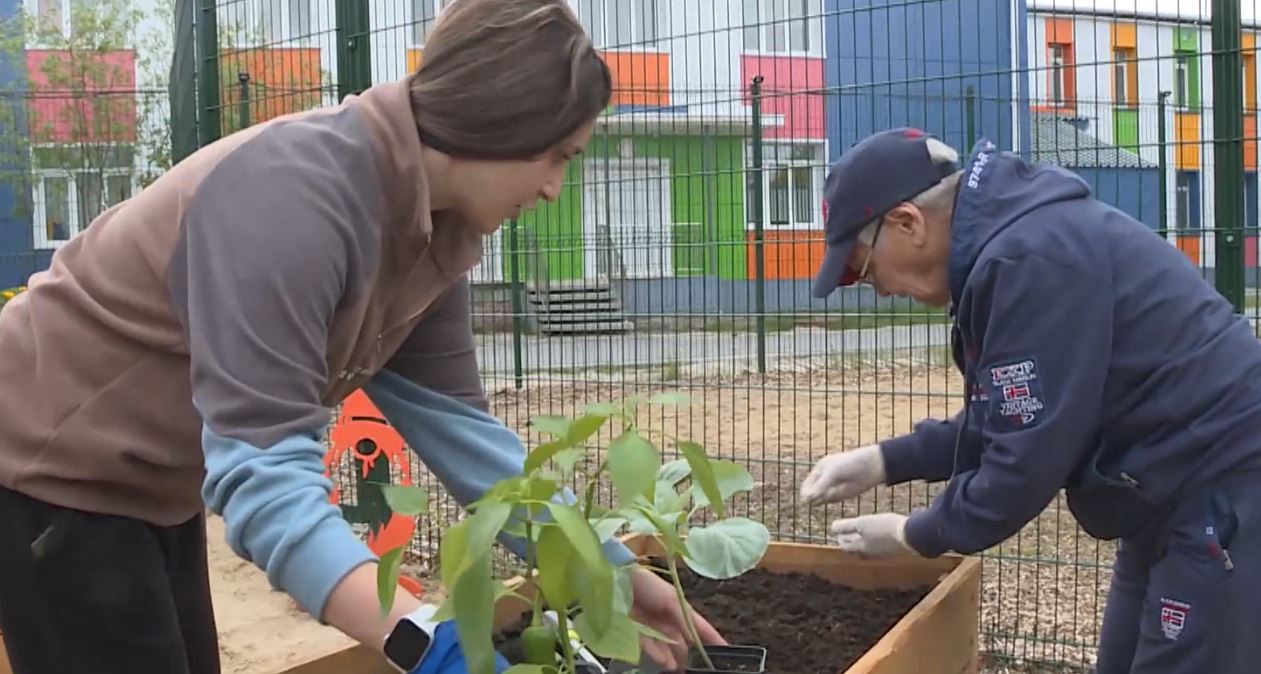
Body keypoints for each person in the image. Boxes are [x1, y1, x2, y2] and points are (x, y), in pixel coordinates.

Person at [0, 1, 725, 672]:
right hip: (46, 470)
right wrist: (429, 646)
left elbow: (466, 438)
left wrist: (607, 574)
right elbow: (263, 480)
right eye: (559, 157)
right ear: (502, 124)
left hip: (152, 484)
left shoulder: (430, 230)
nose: (551, 190)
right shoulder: (288, 203)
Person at [799, 127, 1260, 673]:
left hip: (1223, 490)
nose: (875, 287)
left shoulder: (1030, 259)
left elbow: (1024, 464)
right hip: (1159, 495)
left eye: (863, 267)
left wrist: (912, 534)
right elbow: (1009, 419)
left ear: (909, 223)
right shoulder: (1013, 246)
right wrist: (883, 461)